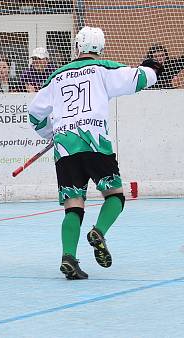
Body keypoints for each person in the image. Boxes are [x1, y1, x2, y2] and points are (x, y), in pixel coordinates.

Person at [28, 26, 162, 280]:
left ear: (76, 47)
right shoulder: (103, 69)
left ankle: (68, 256)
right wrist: (151, 67)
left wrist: (51, 133)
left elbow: (35, 115)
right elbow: (141, 78)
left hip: (65, 146)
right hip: (95, 143)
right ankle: (99, 231)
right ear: (100, 49)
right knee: (115, 195)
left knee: (73, 206)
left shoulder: (55, 76)